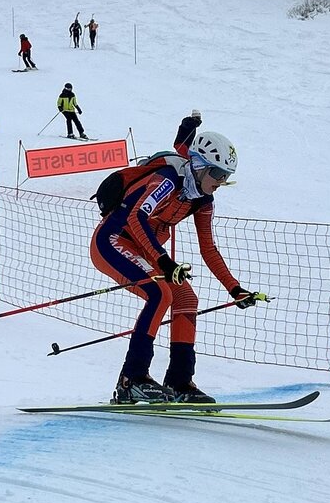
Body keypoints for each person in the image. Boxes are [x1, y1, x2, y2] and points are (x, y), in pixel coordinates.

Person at [90, 131, 262, 404]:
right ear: (199, 165)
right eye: (217, 174)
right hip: (111, 242)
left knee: (186, 298)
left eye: (226, 176)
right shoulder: (169, 180)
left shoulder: (202, 199)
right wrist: (164, 262)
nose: (221, 182)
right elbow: (138, 218)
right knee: (161, 294)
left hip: (144, 251)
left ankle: (179, 381)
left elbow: (208, 248)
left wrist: (235, 289)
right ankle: (131, 379)